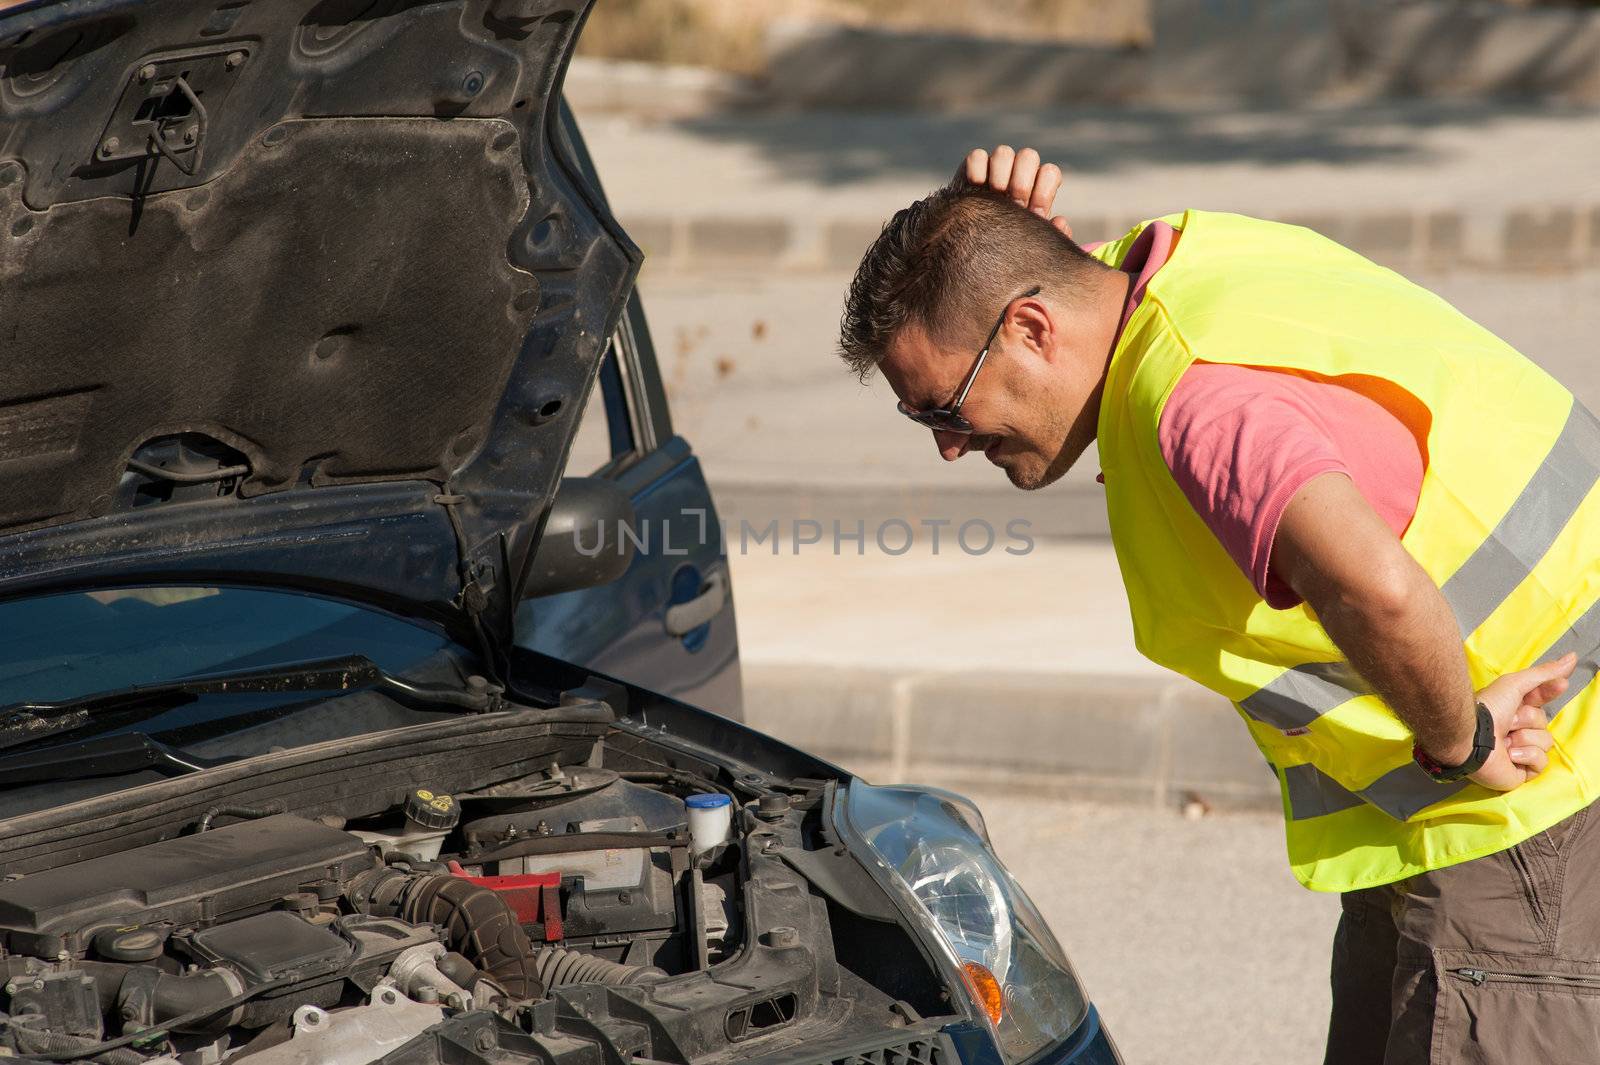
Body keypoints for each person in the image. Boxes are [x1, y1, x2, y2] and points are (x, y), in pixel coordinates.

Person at [836, 145, 1600, 1065]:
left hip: (1522, 800)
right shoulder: (1178, 264)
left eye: (945, 408)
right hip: (1467, 814)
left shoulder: (1198, 408)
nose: (949, 447)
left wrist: (1461, 740)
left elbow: (1378, 590)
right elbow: (1060, 286)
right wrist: (1006, 232)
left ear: (1035, 330)